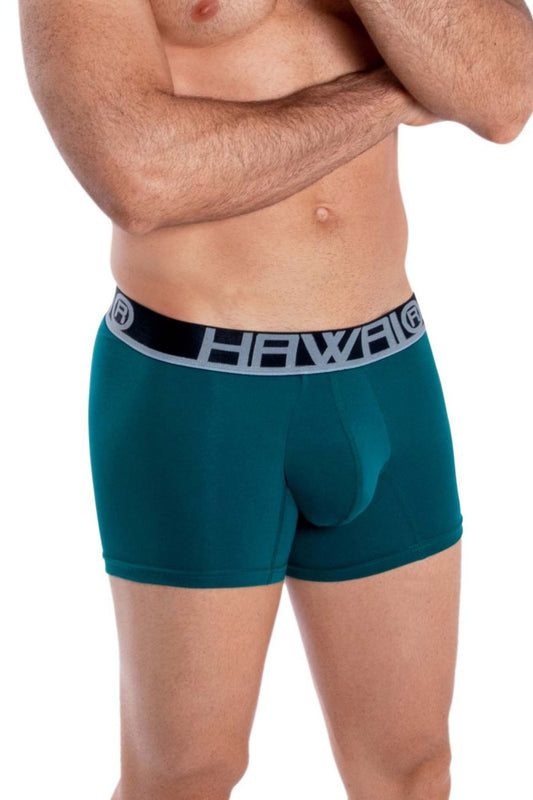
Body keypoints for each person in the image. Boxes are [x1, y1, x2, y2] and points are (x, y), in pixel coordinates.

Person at [19, 1, 533, 798]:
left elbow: (503, 94)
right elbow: (138, 174)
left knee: (412, 768)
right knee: (185, 776)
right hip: (199, 392)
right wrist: (394, 92)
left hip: (386, 371)